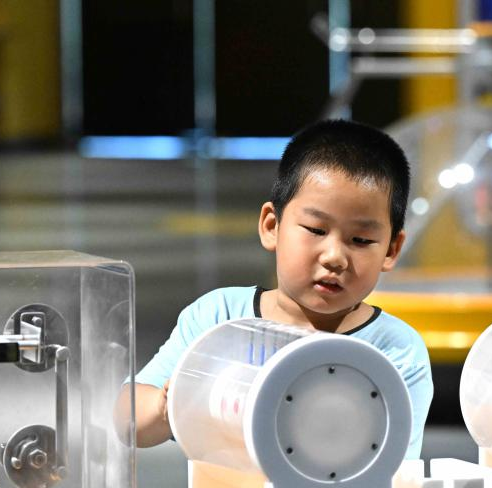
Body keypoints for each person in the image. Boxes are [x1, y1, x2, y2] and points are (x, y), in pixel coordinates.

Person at [123, 119, 432, 456]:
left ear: (391, 250)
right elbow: (127, 417)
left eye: (360, 239)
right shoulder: (220, 316)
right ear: (272, 226)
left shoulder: (396, 350)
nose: (334, 257)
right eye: (316, 230)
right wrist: (166, 407)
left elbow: (397, 471)